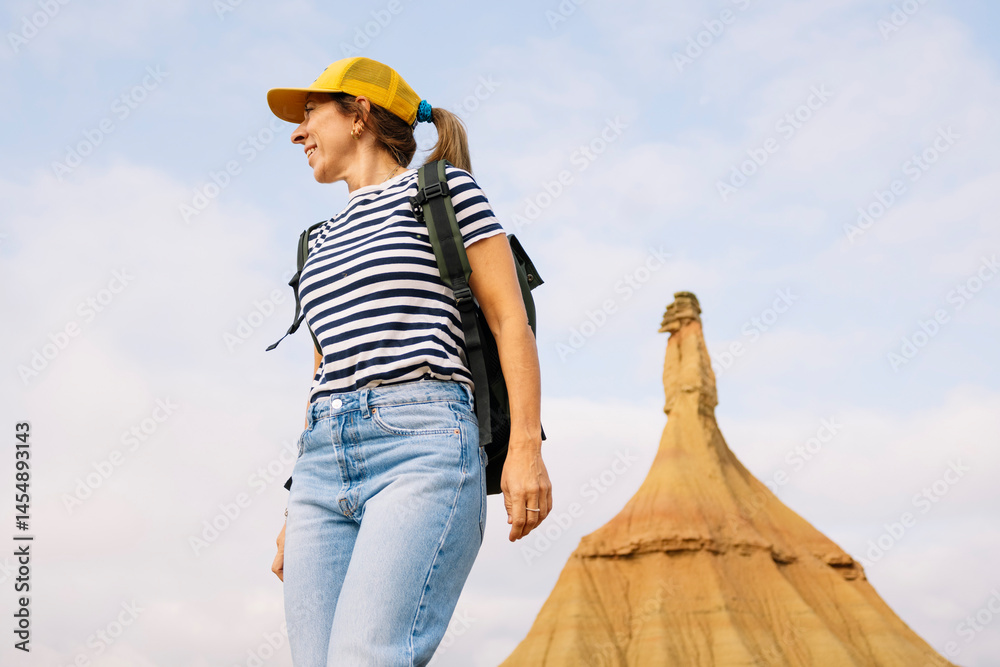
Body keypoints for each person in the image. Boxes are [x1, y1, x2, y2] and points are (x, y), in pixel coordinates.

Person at [264, 56, 552, 666]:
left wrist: (526, 446)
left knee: (365, 657)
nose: (297, 132)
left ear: (359, 114)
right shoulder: (316, 240)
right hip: (321, 464)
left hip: (422, 444)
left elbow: (510, 321)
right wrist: (296, 501)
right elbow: (324, 373)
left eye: (310, 113)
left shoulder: (443, 193)